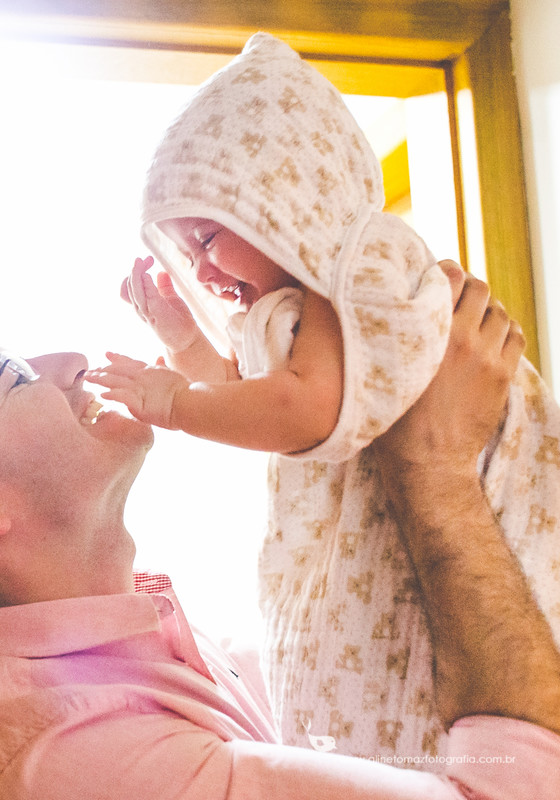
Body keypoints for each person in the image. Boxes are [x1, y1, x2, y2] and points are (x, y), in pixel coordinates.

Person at [0, 266, 560, 799]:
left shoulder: (151, 650)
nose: (70, 363)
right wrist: (435, 469)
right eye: (16, 377)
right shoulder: (67, 764)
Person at [85, 32, 560, 764]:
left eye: (209, 237)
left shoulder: (357, 271)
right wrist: (182, 339)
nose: (204, 270)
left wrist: (174, 401)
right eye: (188, 250)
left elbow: (300, 410)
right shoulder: (290, 313)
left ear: (281, 199)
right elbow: (250, 390)